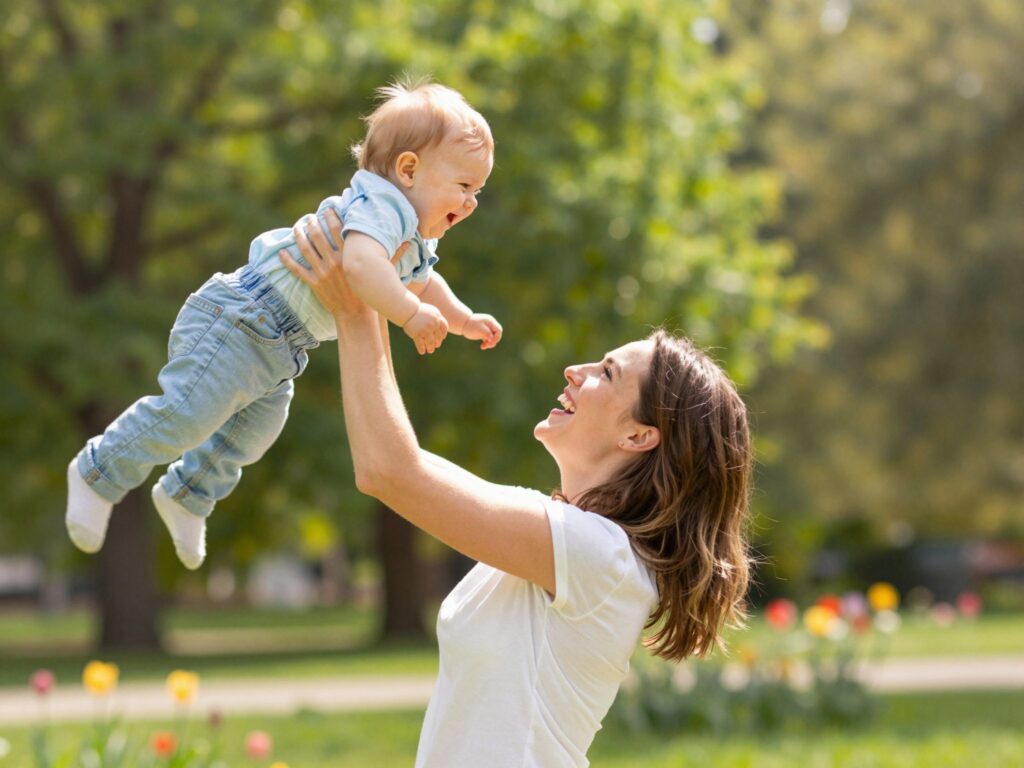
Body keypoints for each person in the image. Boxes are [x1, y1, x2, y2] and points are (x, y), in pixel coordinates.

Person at [283, 212, 754, 767]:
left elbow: (389, 470)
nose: (575, 370)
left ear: (639, 434)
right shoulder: (564, 542)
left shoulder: (597, 556)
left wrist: (358, 303)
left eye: (607, 371)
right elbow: (395, 466)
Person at [65, 81, 501, 569]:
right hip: (241, 319)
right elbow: (360, 267)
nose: (471, 203)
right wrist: (409, 314)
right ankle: (97, 470)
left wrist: (461, 319)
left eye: (478, 191)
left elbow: (423, 281)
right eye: (464, 186)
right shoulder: (384, 207)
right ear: (408, 169)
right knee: (190, 412)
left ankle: (187, 493)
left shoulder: (412, 234)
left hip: (281, 347)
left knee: (251, 436)